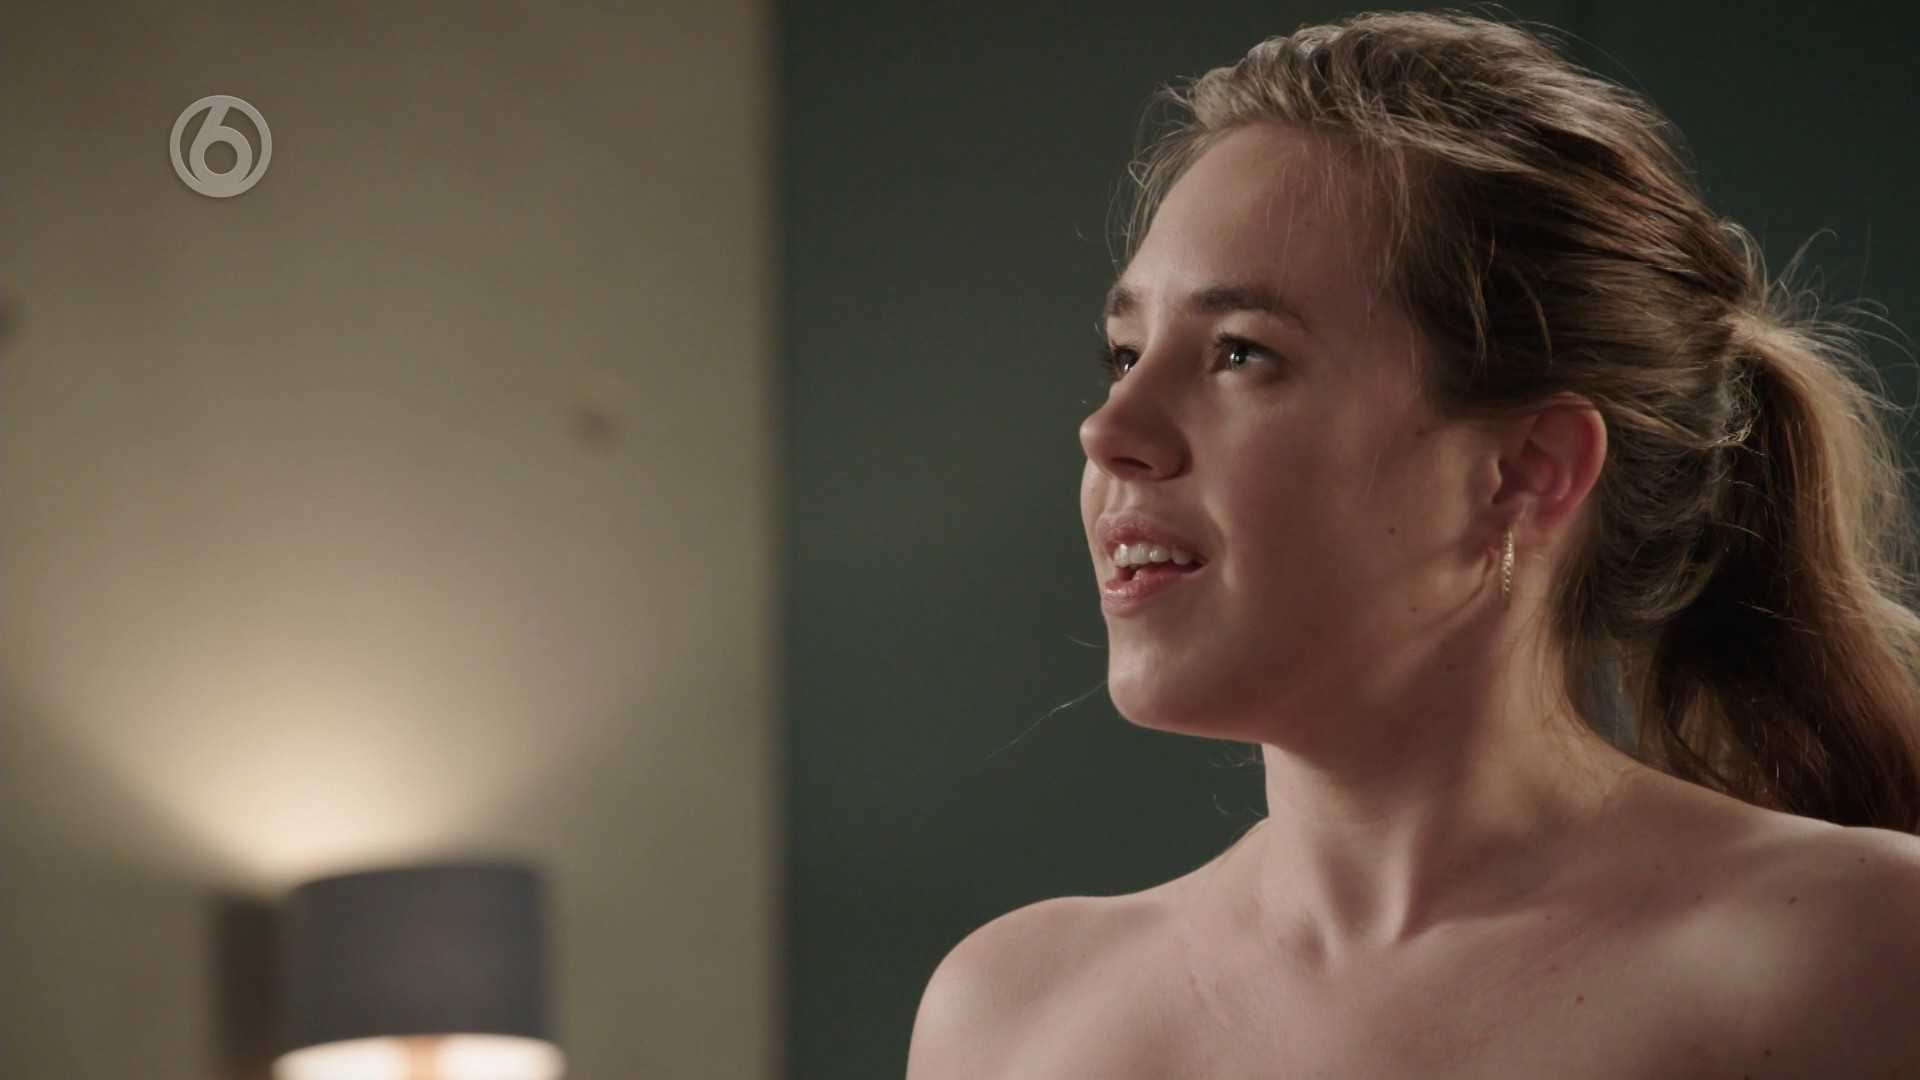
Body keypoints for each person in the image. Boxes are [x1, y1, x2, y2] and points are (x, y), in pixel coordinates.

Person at [906, 10, 1920, 1078]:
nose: (1109, 430)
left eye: (1241, 353)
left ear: (1526, 469)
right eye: (1124, 354)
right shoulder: (1008, 1021)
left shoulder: (1853, 965)